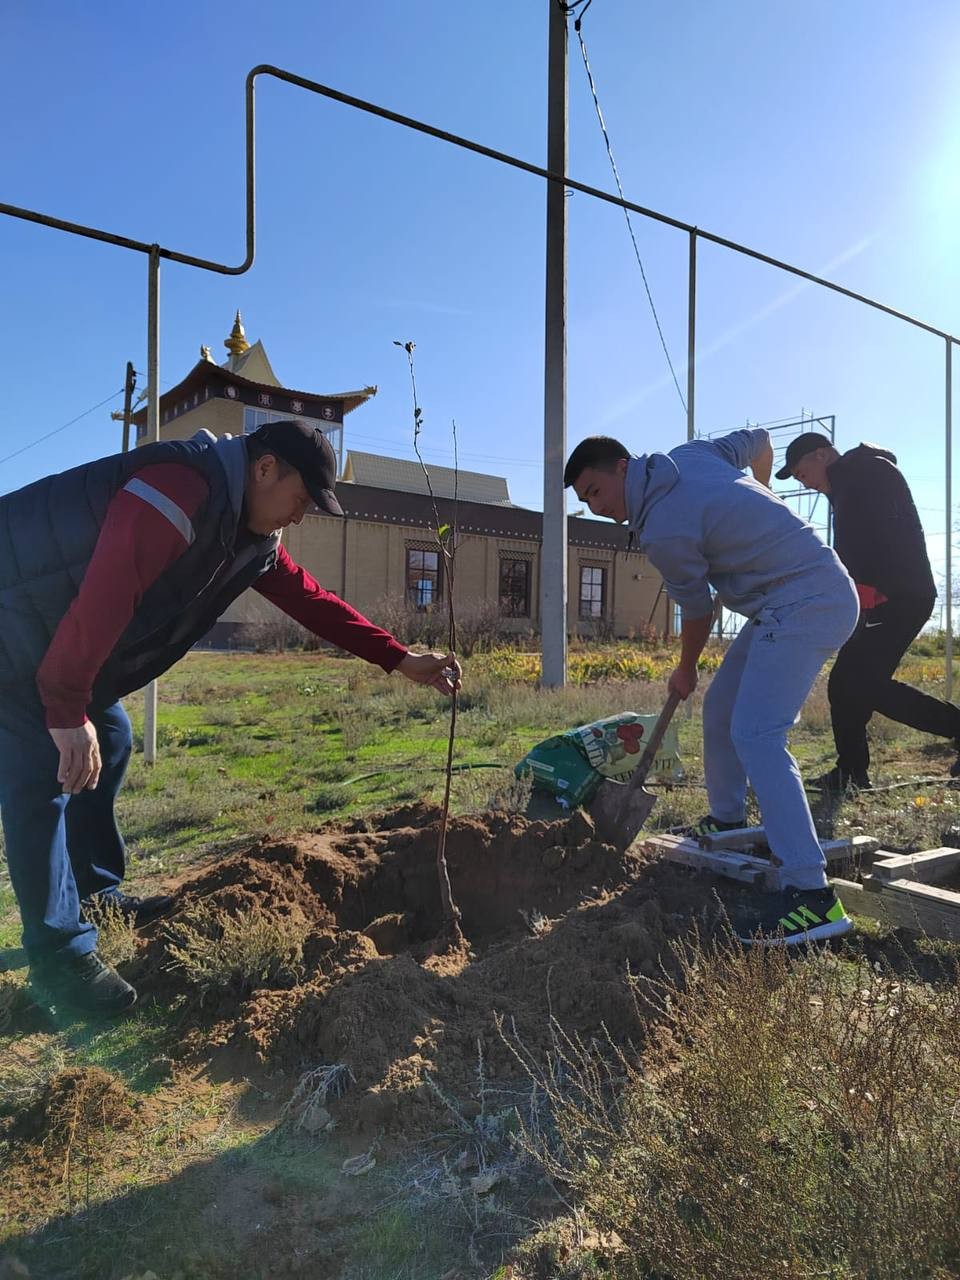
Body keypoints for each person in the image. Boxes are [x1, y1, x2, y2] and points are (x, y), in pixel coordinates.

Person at [0, 420, 460, 1015]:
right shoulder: (178, 488)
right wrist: (64, 706)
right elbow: (110, 586)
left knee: (111, 736)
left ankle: (95, 895)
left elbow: (312, 601)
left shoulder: (248, 535)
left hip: (50, 633)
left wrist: (400, 659)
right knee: (45, 765)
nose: (299, 517)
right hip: (15, 630)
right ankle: (60, 959)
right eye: (300, 500)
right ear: (266, 469)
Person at [564, 428, 859, 946]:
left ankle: (811, 895)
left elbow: (699, 609)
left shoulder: (662, 528)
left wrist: (685, 668)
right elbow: (761, 440)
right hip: (793, 594)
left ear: (623, 468)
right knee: (723, 706)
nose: (596, 506)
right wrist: (763, 491)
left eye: (595, 490)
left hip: (804, 599)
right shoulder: (690, 455)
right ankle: (727, 820)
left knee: (758, 735)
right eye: (585, 499)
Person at [777, 432, 960, 791]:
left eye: (802, 472)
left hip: (894, 596)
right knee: (851, 684)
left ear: (823, 454)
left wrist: (865, 591)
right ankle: (851, 773)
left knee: (856, 683)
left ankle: (852, 773)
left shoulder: (859, 474)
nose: (804, 482)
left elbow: (877, 537)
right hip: (891, 594)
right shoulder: (854, 477)